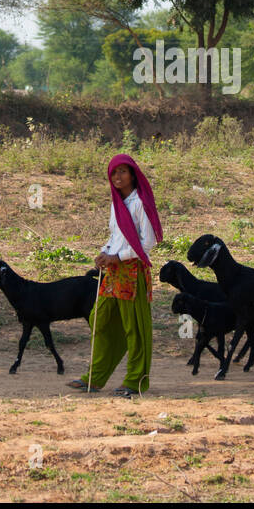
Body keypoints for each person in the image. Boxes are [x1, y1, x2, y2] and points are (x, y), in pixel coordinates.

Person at [67, 154, 162, 397]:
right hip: (113, 271)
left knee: (136, 328)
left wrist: (117, 257)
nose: (118, 177)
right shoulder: (117, 203)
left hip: (132, 271)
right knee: (100, 318)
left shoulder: (140, 202)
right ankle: (96, 377)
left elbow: (147, 242)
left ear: (133, 175)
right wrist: (104, 252)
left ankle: (135, 381)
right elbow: (115, 237)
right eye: (114, 173)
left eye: (123, 172)